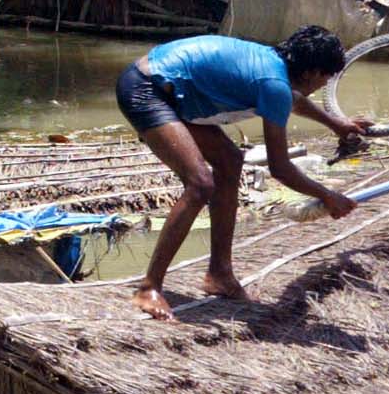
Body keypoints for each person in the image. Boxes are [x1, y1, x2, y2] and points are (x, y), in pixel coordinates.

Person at [114, 26, 370, 319]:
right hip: (147, 89)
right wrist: (327, 195)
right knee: (200, 184)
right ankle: (149, 288)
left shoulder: (275, 67)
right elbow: (280, 168)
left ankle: (220, 274)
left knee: (230, 161)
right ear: (312, 71)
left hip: (175, 89)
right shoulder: (273, 82)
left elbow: (294, 100)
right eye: (326, 77)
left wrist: (336, 124)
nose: (325, 84)